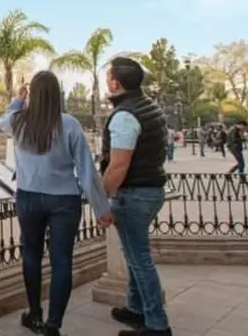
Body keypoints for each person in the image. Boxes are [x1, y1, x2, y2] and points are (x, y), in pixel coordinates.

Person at [0, 71, 112, 336]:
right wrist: (101, 208)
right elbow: (86, 170)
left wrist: (18, 100)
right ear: (57, 95)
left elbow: (2, 120)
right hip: (64, 199)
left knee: (31, 254)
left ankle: (35, 313)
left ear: (33, 95)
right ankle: (53, 325)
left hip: (28, 196)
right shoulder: (69, 124)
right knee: (62, 260)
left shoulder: (18, 122)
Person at [100, 57, 173, 336]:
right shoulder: (148, 105)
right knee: (133, 255)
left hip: (134, 194)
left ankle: (156, 323)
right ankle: (135, 307)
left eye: (108, 77)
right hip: (151, 188)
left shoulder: (125, 116)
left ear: (116, 83)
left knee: (140, 258)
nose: (107, 81)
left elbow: (119, 165)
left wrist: (101, 199)